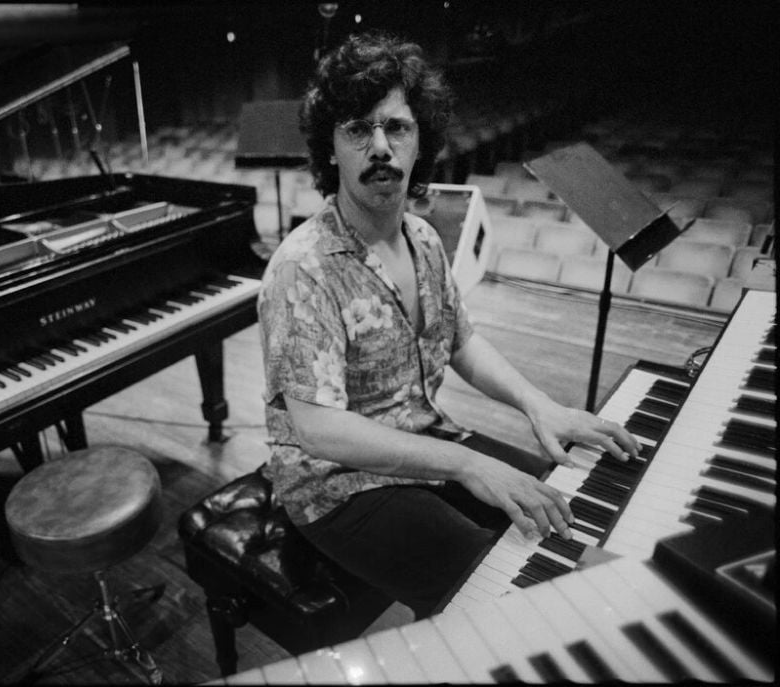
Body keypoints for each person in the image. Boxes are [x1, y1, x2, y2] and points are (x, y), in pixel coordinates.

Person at [256, 31, 639, 620]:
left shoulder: (427, 239)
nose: (379, 147)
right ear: (330, 149)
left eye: (397, 128)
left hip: (426, 435)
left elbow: (463, 341)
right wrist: (470, 464)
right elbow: (319, 431)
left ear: (419, 142)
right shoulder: (303, 268)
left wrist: (542, 407)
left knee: (570, 507)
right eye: (358, 129)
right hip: (334, 484)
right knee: (512, 597)